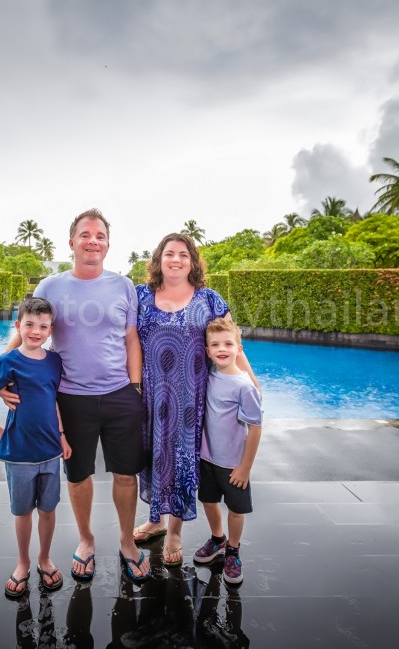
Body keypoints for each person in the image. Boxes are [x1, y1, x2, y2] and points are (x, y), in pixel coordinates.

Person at [0, 209, 151, 584]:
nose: (92, 241)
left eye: (99, 235)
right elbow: (26, 334)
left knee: (126, 474)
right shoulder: (50, 287)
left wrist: (135, 387)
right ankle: (86, 539)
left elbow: (131, 338)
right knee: (78, 473)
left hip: (119, 394)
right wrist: (4, 373)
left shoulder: (124, 286)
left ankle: (127, 542)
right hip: (70, 397)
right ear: (72, 242)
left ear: (107, 244)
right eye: (85, 234)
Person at [132, 233, 257, 567]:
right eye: (169, 253)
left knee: (183, 460)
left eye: (183, 254)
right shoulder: (140, 296)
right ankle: (155, 520)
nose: (176, 259)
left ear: (193, 261)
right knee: (156, 456)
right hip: (153, 396)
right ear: (158, 259)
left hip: (193, 397)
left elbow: (232, 344)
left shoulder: (210, 299)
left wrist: (252, 382)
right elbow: (121, 341)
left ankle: (174, 531)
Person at [0, 297, 71, 598]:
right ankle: (23, 562)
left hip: (50, 452)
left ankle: (44, 558)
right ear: (18, 326)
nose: (36, 331)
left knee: (49, 509)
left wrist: (63, 435)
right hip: (18, 455)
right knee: (23, 511)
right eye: (29, 324)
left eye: (43, 326)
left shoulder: (55, 361)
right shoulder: (8, 361)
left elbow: (53, 400)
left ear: (50, 330)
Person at [192, 317, 263, 586]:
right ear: (208, 350)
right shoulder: (207, 374)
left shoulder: (244, 386)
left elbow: (255, 429)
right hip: (207, 458)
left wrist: (244, 467)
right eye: (215, 344)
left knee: (235, 509)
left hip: (233, 463)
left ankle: (233, 549)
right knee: (208, 501)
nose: (222, 349)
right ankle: (218, 538)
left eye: (228, 344)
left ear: (239, 348)